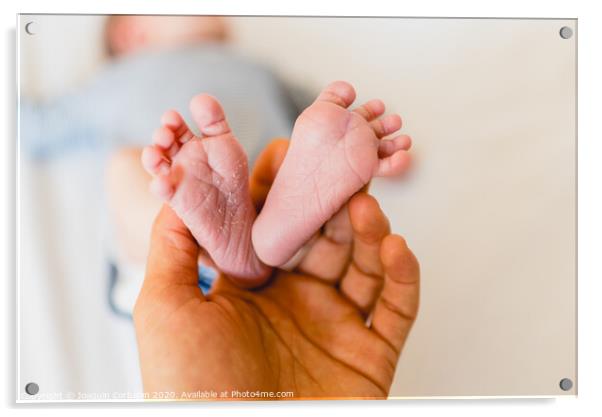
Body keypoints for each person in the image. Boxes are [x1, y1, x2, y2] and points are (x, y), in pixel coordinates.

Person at [134, 139, 421, 399]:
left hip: (203, 301)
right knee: (274, 150)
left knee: (126, 178)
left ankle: (223, 230)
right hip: (229, 287)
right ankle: (358, 158)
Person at [139, 81, 412, 286]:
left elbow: (326, 113)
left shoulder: (259, 68)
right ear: (128, 33)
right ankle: (242, 252)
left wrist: (353, 133)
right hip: (240, 168)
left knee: (135, 173)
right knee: (128, 167)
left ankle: (242, 256)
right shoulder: (114, 82)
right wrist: (378, 145)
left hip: (267, 172)